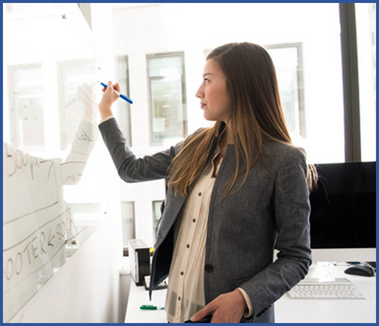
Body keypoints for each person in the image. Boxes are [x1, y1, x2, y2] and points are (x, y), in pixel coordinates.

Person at [98, 42, 317, 323]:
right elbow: (130, 169)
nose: (198, 92)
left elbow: (297, 257)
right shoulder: (195, 145)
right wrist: (106, 112)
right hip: (176, 311)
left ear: (240, 86)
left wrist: (243, 297)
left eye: (207, 80)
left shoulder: (282, 161)